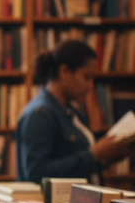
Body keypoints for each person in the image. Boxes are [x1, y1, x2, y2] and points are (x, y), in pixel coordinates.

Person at [16, 39, 133, 184]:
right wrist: (94, 154)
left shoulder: (72, 111)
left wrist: (107, 158)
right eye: (86, 77)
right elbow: (36, 174)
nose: (91, 86)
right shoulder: (39, 114)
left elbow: (77, 168)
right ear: (64, 72)